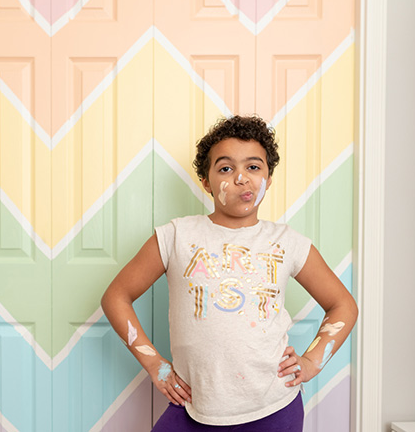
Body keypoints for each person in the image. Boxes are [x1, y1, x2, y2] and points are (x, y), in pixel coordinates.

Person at [100, 115, 358, 431]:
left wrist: (311, 361)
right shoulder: (176, 236)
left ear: (269, 177)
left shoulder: (287, 242)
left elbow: (343, 305)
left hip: (274, 408)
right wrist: (155, 364)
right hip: (192, 406)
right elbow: (116, 296)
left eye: (253, 167)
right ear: (206, 181)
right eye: (225, 168)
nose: (241, 178)